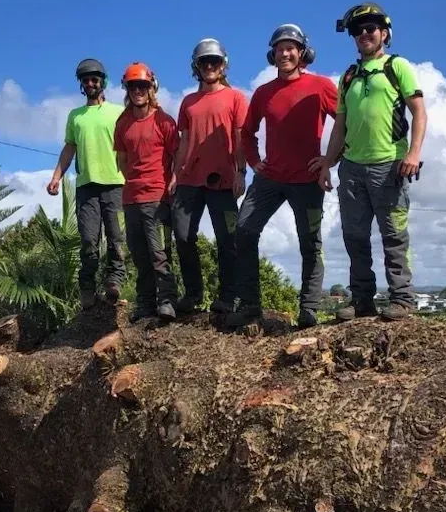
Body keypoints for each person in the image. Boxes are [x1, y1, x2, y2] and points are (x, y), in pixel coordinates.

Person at [316, 2, 428, 321]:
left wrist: (414, 153)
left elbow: (419, 111)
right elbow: (340, 125)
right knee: (354, 236)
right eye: (358, 30)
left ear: (384, 33)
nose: (364, 34)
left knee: (393, 234)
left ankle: (402, 299)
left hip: (389, 164)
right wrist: (327, 163)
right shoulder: (348, 77)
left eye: (371, 28)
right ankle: (362, 300)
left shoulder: (398, 66)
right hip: (351, 167)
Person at [225, 24, 338, 329]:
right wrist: (254, 161)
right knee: (244, 231)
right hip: (270, 179)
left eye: (291, 48)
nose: (285, 53)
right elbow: (247, 133)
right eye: (280, 48)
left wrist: (330, 159)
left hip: (307, 180)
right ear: (272, 54)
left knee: (309, 243)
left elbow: (345, 123)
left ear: (302, 53)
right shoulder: (263, 92)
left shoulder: (322, 86)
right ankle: (250, 306)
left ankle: (309, 310)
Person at [171, 38, 249, 315]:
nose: (209, 66)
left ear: (223, 64)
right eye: (204, 62)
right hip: (189, 179)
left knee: (228, 239)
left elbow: (241, 137)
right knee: (182, 235)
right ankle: (193, 294)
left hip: (223, 179)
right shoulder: (188, 102)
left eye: (214, 61)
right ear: (196, 66)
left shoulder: (236, 97)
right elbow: (184, 140)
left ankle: (229, 296)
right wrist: (174, 175)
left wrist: (241, 170)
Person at [47, 58, 126, 309]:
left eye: (95, 79)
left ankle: (114, 282)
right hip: (86, 186)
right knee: (89, 241)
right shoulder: (75, 116)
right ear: (81, 85)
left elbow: (130, 146)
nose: (91, 83)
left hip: (115, 183)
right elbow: (69, 148)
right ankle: (88, 289)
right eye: (86, 80)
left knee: (116, 238)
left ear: (103, 82)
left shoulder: (118, 112)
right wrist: (56, 177)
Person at [113, 62, 181, 321]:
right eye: (133, 86)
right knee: (140, 256)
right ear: (127, 89)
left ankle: (167, 300)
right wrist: (133, 181)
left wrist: (172, 180)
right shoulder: (122, 123)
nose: (138, 90)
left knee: (159, 253)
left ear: (151, 87)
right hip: (131, 198)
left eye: (142, 85)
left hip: (158, 197)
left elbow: (177, 154)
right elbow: (121, 160)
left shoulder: (164, 120)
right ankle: (145, 304)